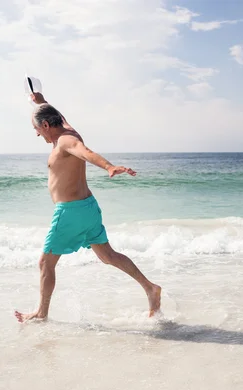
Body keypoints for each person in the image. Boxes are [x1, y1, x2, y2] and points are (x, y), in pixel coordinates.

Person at [14, 92, 161, 322]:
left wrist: (108, 166)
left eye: (37, 129)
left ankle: (41, 314)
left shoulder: (66, 141)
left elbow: (86, 153)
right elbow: (60, 117)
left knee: (45, 263)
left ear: (45, 124)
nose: (36, 133)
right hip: (88, 207)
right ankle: (150, 288)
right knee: (108, 255)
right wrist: (41, 101)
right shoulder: (68, 132)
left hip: (70, 211)